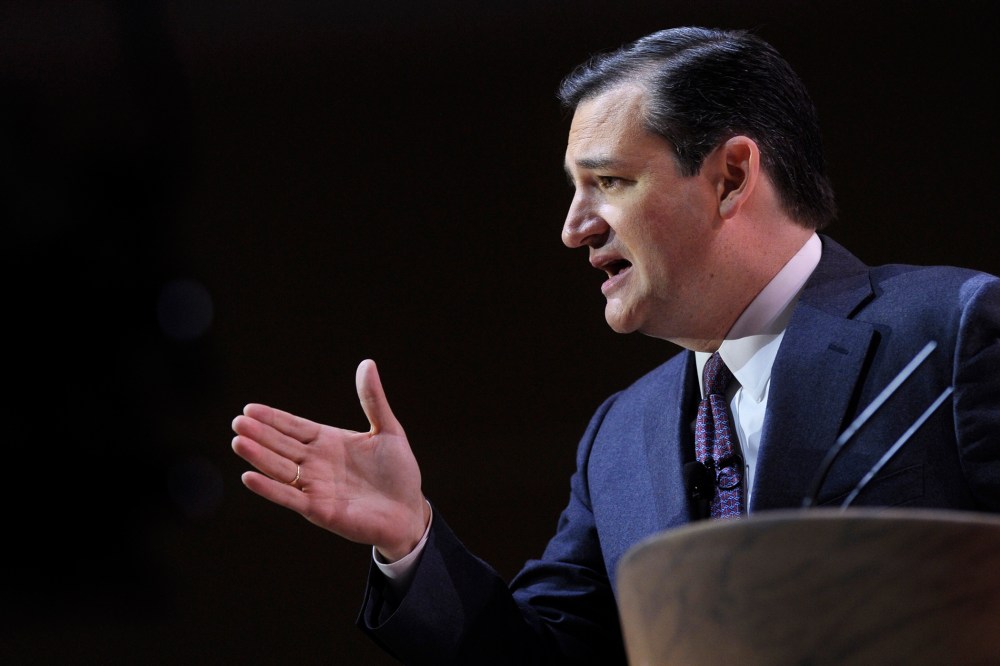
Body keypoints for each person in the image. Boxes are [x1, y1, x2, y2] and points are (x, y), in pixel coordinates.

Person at [230, 26, 1000, 664]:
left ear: (731, 176)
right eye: (574, 189)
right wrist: (412, 540)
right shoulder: (620, 435)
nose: (574, 226)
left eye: (610, 182)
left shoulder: (954, 330)